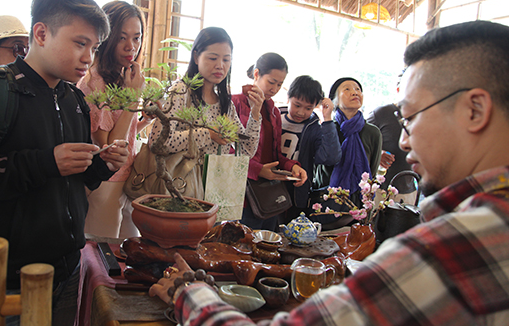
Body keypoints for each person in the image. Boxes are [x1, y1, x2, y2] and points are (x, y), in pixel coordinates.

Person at [149, 20, 509, 326]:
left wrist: (187, 293)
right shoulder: (186, 93)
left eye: (410, 117)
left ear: (475, 110)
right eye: (213, 57)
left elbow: (242, 149)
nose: (402, 140)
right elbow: (159, 141)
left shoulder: (460, 242)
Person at [0, 0, 129, 326]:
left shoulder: (74, 101)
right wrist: (44, 162)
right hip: (6, 275)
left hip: (68, 269)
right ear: (41, 33)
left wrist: (100, 165)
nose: (88, 58)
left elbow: (74, 180)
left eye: (93, 48)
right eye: (80, 43)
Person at [77, 1, 150, 239]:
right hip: (106, 181)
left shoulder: (120, 76)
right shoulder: (95, 82)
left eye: (137, 37)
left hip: (126, 179)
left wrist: (145, 121)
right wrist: (133, 98)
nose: (132, 46)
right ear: (106, 38)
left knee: (129, 248)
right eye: (122, 38)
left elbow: (124, 132)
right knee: (103, 255)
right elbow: (108, 147)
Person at [148, 26, 263, 173]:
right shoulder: (181, 91)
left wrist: (255, 113)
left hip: (210, 188)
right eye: (213, 58)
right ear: (196, 57)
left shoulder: (225, 104)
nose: (220, 65)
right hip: (180, 186)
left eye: (226, 59)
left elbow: (246, 150)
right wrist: (208, 134)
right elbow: (158, 142)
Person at [233, 53, 308, 231]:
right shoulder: (235, 103)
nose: (275, 89)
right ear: (257, 74)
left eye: (280, 84)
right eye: (271, 82)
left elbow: (274, 154)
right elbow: (227, 153)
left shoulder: (273, 111)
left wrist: (292, 166)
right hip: (242, 194)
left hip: (267, 193)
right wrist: (259, 170)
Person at [314, 76, 382, 229]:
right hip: (325, 205)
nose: (355, 92)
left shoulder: (372, 132)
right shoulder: (327, 127)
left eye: (358, 89)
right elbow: (319, 171)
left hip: (356, 208)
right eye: (347, 89)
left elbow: (372, 173)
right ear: (335, 101)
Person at [279, 75, 341, 223]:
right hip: (268, 187)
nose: (301, 112)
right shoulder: (275, 117)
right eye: (297, 105)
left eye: (308, 108)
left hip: (296, 192)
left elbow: (330, 157)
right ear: (288, 97)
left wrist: (327, 119)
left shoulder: (315, 129)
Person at [367, 103, 416, 196]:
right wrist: (377, 153)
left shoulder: (422, 114)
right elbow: (359, 141)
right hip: (379, 190)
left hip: (409, 191)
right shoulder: (381, 113)